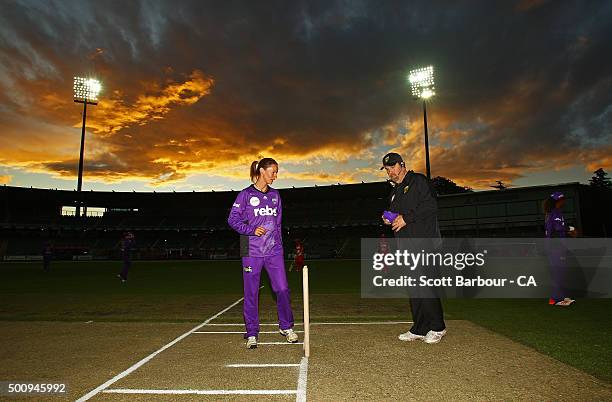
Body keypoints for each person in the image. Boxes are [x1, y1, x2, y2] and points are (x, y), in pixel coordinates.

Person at [228, 157, 298, 349]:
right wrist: (251, 230)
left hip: (273, 250)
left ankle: (286, 327)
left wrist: (280, 246)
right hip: (249, 248)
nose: (275, 176)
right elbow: (232, 220)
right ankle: (252, 332)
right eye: (273, 172)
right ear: (261, 171)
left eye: (277, 172)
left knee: (282, 289)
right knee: (251, 292)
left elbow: (278, 224)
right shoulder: (245, 195)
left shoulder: (276, 196)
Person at [380, 152, 447, 344]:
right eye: (387, 168)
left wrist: (406, 218)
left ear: (402, 164)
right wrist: (389, 218)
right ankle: (419, 327)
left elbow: (431, 206)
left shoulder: (418, 181)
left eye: (393, 166)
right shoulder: (394, 192)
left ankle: (438, 326)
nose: (390, 171)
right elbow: (397, 215)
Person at [544, 191, 576, 306]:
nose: (564, 201)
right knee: (559, 272)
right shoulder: (555, 212)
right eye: (563, 199)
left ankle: (559, 296)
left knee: (560, 272)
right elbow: (558, 228)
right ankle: (556, 299)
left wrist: (568, 231)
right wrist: (571, 229)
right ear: (558, 200)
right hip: (556, 247)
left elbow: (556, 230)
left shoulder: (552, 212)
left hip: (554, 246)